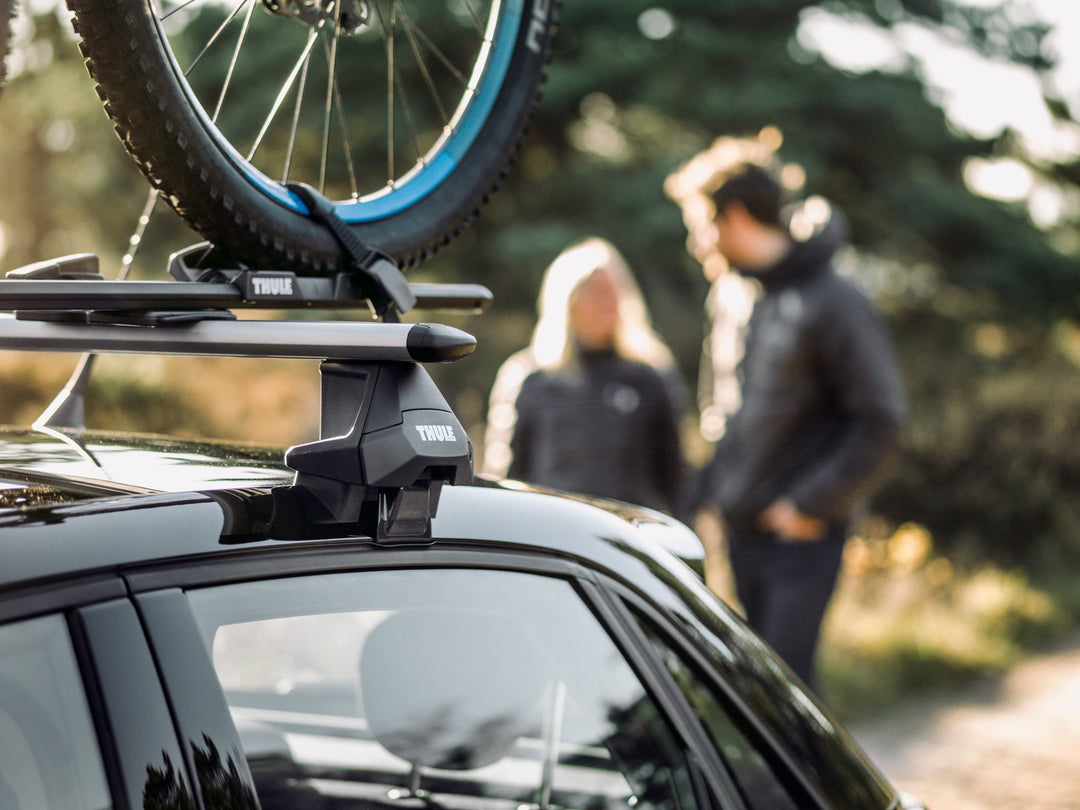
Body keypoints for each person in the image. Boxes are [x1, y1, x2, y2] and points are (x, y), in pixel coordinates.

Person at [683, 150, 907, 689]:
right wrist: (711, 491)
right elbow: (720, 406)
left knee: (787, 695)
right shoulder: (730, 295)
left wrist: (807, 506)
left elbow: (881, 421)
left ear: (736, 217)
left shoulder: (835, 299)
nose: (697, 243)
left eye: (701, 226)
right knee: (757, 695)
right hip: (739, 532)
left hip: (799, 538)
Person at [482, 237, 685, 514]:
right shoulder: (530, 378)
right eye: (596, 292)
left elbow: (675, 476)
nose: (607, 302)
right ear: (569, 301)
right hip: (554, 527)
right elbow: (505, 475)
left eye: (614, 292)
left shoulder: (648, 376)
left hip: (626, 529)